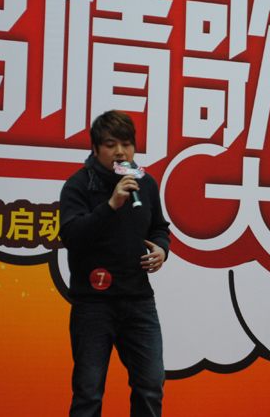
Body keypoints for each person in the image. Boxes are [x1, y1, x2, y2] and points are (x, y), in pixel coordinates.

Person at [59, 110, 170, 417]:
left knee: (151, 385)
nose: (120, 152)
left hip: (138, 301)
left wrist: (162, 249)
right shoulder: (78, 185)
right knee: (89, 392)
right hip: (93, 304)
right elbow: (71, 235)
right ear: (95, 149)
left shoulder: (145, 184)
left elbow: (159, 227)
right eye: (110, 145)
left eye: (126, 144)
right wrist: (110, 205)